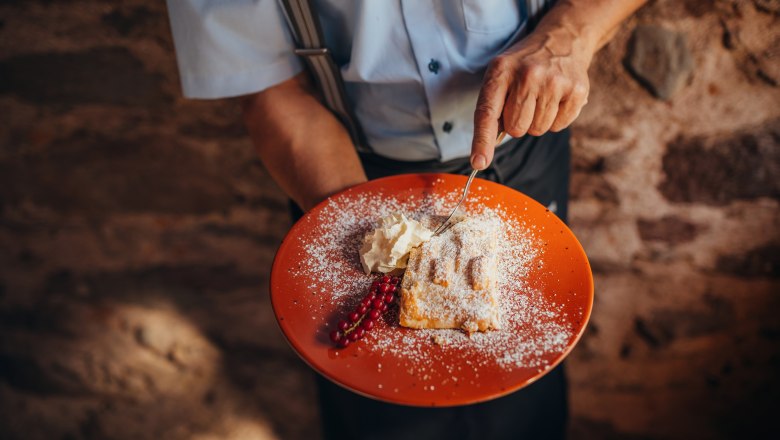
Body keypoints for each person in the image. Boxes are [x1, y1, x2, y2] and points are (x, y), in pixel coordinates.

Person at [167, 1, 646, 438]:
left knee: (523, 384)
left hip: (524, 142)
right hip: (342, 168)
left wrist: (570, 33)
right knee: (380, 406)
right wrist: (365, 229)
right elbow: (268, 88)